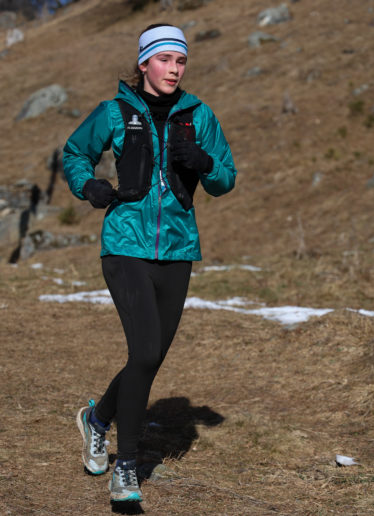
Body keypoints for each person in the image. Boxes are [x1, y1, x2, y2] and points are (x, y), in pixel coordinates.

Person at [63, 23, 237, 503]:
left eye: (180, 61)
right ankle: (127, 469)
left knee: (151, 356)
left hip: (178, 250)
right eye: (164, 59)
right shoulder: (114, 112)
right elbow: (75, 152)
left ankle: (97, 418)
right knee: (143, 353)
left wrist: (204, 162)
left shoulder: (199, 116)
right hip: (125, 244)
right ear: (144, 63)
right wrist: (87, 185)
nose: (174, 69)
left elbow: (226, 178)